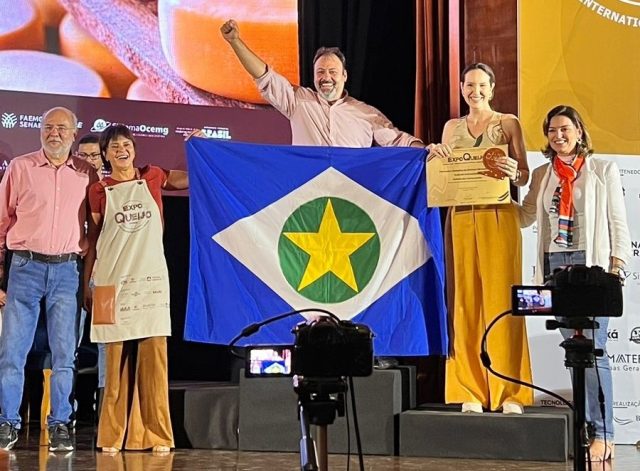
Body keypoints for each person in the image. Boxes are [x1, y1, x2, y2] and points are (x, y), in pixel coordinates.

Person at [519, 105, 630, 462]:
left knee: (595, 352)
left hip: (591, 266)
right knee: (574, 354)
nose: (559, 136)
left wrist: (618, 266)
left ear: (579, 131)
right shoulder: (541, 173)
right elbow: (524, 216)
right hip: (557, 267)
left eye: (565, 129)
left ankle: (605, 433)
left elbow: (617, 220)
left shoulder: (602, 170)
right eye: (552, 131)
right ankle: (584, 426)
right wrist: (496, 187)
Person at [429, 63, 533, 414]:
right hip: (459, 217)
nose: (475, 91)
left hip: (498, 216)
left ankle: (510, 392)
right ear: (461, 88)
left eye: (481, 85)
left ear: (492, 88)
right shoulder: (451, 127)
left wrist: (513, 171)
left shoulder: (508, 122)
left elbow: (523, 176)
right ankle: (469, 388)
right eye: (469, 85)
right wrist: (437, 155)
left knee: (502, 301)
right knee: (464, 301)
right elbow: (442, 176)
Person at [84, 124, 188, 453]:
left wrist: (200, 151)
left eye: (126, 145)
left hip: (151, 282)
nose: (122, 150)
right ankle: (112, 437)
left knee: (154, 362)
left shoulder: (153, 176)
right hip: (111, 283)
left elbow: (186, 179)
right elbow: (95, 239)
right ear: (105, 154)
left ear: (135, 149)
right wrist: (87, 284)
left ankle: (158, 435)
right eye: (114, 147)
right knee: (113, 365)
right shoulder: (99, 191)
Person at [0, 107, 97, 452]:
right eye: (48, 127)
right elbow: (1, 221)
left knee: (64, 355)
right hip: (24, 267)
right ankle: (7, 422)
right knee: (12, 352)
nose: (54, 133)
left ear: (73, 134)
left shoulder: (86, 173)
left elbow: (96, 225)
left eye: (61, 128)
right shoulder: (20, 167)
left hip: (67, 271)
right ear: (40, 131)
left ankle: (59, 424)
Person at [220, 19, 426, 148]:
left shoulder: (366, 113)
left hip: (352, 200)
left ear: (345, 76)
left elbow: (399, 141)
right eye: (320, 72)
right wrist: (235, 41)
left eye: (332, 72)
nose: (326, 77)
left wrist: (425, 150)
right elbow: (264, 76)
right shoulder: (297, 101)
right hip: (308, 199)